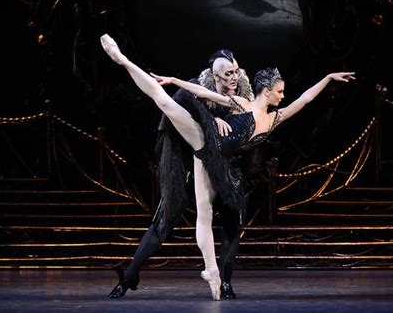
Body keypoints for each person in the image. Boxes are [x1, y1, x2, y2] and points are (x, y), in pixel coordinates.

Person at [100, 33, 355, 300]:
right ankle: (122, 60)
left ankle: (215, 274)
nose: (283, 95)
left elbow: (304, 100)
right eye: (279, 91)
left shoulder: (274, 118)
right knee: (163, 101)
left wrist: (327, 78)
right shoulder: (242, 103)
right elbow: (201, 92)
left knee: (207, 214)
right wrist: (174, 81)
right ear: (266, 91)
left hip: (217, 161)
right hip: (205, 140)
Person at [106, 43, 254, 299]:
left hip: (225, 165)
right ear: (215, 75)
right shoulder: (196, 90)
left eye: (236, 71)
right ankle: (129, 276)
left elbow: (247, 122)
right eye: (228, 73)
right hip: (191, 160)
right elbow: (174, 102)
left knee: (231, 221)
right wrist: (209, 120)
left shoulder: (243, 92)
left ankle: (225, 280)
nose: (234, 78)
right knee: (164, 219)